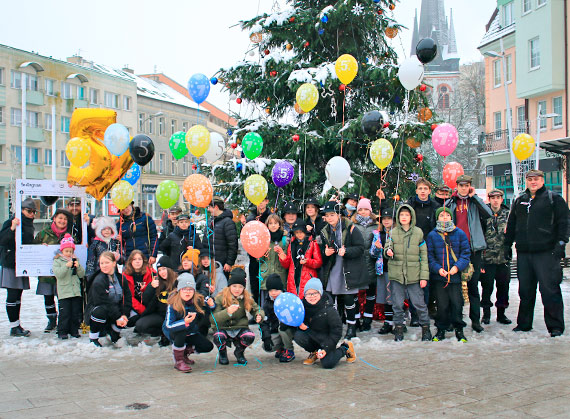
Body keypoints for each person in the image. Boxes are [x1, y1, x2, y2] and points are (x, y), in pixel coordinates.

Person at [505, 169, 568, 337]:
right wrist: (506, 246)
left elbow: (564, 222)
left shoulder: (553, 199)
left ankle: (555, 326)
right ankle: (524, 323)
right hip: (524, 253)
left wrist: (561, 243)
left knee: (549, 290)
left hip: (546, 253)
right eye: (530, 179)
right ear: (526, 181)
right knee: (525, 290)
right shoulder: (520, 201)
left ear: (542, 180)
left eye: (536, 179)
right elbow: (511, 226)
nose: (533, 182)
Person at [445, 174, 492, 333]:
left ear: (470, 186)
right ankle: (455, 320)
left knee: (473, 286)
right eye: (461, 185)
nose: (464, 188)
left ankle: (476, 320)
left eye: (467, 185)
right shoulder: (451, 202)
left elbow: (488, 213)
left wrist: (475, 197)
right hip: (455, 250)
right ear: (457, 186)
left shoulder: (475, 202)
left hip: (474, 249)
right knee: (455, 286)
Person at [319, 201, 369, 340]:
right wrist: (326, 252)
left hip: (348, 268)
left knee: (348, 298)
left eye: (332, 215)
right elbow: (323, 252)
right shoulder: (325, 231)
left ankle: (352, 326)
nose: (330, 218)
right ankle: (335, 327)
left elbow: (360, 248)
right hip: (333, 267)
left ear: (339, 215)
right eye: (327, 215)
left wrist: (346, 251)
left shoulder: (351, 228)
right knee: (331, 298)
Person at [384, 205, 431, 342]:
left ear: (411, 217)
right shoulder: (393, 232)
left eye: (406, 215)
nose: (404, 217)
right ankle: (398, 328)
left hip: (414, 275)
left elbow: (424, 256)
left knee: (419, 304)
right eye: (401, 215)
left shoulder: (418, 233)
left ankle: (426, 328)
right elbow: (387, 248)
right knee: (397, 304)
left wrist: (424, 277)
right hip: (397, 275)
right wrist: (388, 252)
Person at [426, 207, 471, 342]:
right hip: (439, 278)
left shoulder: (460, 234)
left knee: (457, 304)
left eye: (447, 215)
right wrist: (438, 269)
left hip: (455, 277)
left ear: (451, 217)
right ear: (437, 218)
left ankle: (459, 330)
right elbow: (429, 256)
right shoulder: (432, 235)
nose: (444, 217)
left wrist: (457, 267)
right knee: (442, 305)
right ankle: (441, 330)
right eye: (441, 215)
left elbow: (465, 254)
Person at [294, 278, 356, 368]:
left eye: (315, 293)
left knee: (328, 364)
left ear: (320, 293)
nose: (312, 296)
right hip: (313, 336)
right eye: (308, 294)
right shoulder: (302, 307)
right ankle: (315, 351)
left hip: (327, 340)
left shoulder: (329, 309)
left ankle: (345, 348)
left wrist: (327, 348)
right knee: (298, 336)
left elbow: (337, 331)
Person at [163, 274, 215, 373]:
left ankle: (184, 353)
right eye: (184, 289)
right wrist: (184, 322)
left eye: (190, 289)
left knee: (207, 346)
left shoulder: (198, 299)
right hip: (174, 332)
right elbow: (168, 325)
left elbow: (211, 307)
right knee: (181, 331)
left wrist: (212, 304)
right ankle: (179, 361)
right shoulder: (172, 304)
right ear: (179, 290)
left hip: (191, 331)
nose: (188, 292)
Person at [211, 268, 264, 365]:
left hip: (240, 327)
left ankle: (239, 352)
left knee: (249, 336)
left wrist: (259, 315)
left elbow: (257, 309)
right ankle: (222, 353)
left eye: (240, 287)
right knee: (218, 336)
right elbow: (213, 319)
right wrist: (227, 312)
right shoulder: (220, 298)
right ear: (230, 286)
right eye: (234, 286)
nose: (237, 289)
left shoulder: (246, 298)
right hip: (223, 327)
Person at [0, 197, 36, 337]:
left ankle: (16, 325)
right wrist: (12, 228)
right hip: (11, 263)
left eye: (33, 211)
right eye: (29, 211)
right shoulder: (11, 222)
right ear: (21, 210)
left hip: (22, 263)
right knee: (12, 295)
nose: (32, 214)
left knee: (18, 295)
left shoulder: (29, 224)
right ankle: (14, 326)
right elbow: (2, 240)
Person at [34, 208, 73, 333]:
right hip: (47, 272)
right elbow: (33, 247)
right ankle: (51, 320)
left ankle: (63, 322)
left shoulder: (69, 234)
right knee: (48, 297)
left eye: (65, 219)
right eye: (60, 218)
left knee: (62, 298)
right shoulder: (44, 233)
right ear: (54, 218)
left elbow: (76, 248)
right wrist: (40, 247)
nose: (62, 221)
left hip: (63, 273)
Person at [86, 252, 132, 347]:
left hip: (114, 310)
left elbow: (127, 297)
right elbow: (103, 302)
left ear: (114, 263)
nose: (104, 265)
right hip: (100, 309)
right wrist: (118, 317)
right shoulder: (98, 281)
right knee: (100, 311)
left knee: (133, 314)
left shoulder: (121, 278)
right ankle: (94, 337)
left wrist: (124, 314)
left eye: (107, 262)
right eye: (102, 263)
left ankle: (114, 332)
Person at [480, 189, 512, 325]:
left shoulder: (508, 214)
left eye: (498, 197)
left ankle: (501, 314)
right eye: (493, 198)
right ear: (489, 199)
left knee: (503, 287)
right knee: (487, 288)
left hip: (503, 258)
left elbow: (512, 233)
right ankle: (486, 314)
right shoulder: (484, 214)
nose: (495, 200)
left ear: (502, 199)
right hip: (488, 258)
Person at [135, 256, 177, 345]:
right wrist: (151, 287)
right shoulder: (157, 282)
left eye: (164, 269)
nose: (162, 272)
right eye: (160, 270)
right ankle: (160, 331)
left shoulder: (178, 281)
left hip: (175, 316)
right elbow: (146, 301)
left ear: (170, 269)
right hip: (161, 315)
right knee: (140, 325)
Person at [351, 198, 378, 332]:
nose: (363, 212)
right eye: (360, 209)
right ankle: (355, 319)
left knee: (371, 293)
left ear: (370, 211)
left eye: (366, 209)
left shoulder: (376, 226)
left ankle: (367, 319)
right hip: (356, 263)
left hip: (371, 263)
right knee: (355, 293)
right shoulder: (352, 225)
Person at [52, 234, 85, 340]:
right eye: (66, 251)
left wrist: (78, 266)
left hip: (75, 291)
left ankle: (74, 330)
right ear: (62, 251)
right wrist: (66, 266)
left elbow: (81, 275)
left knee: (75, 313)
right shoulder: (57, 261)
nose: (69, 253)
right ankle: (62, 331)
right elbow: (58, 274)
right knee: (64, 313)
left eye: (71, 251)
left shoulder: (76, 260)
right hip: (64, 291)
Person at [278, 220, 322, 299]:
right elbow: (287, 265)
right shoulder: (291, 244)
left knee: (307, 303)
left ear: (305, 232)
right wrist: (283, 258)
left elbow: (318, 262)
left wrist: (307, 261)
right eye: (297, 232)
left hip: (308, 279)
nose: (299, 235)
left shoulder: (312, 243)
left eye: (301, 232)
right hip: (293, 280)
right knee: (294, 303)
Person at [260, 274, 296, 362]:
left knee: (282, 329)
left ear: (280, 289)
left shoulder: (288, 299)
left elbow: (295, 316)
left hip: (289, 328)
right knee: (267, 346)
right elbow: (264, 321)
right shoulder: (267, 303)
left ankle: (289, 350)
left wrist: (287, 323)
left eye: (276, 290)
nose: (273, 293)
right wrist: (266, 337)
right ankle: (280, 347)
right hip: (276, 328)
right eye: (271, 290)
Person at [371, 207, 394, 335]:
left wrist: (385, 248)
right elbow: (372, 254)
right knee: (385, 296)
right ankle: (388, 322)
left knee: (394, 296)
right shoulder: (378, 234)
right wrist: (376, 248)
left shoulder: (397, 233)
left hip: (394, 269)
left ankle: (398, 321)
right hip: (382, 269)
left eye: (389, 218)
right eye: (384, 219)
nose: (386, 221)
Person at [246, 198, 272, 304]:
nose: (260, 203)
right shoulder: (251, 217)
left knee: (267, 282)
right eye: (258, 200)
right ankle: (257, 309)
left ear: (267, 201)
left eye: (263, 200)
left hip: (268, 255)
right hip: (254, 256)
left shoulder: (271, 217)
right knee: (255, 283)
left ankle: (268, 309)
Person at [205, 197, 238, 279]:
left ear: (216, 207)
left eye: (209, 207)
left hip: (222, 264)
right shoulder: (210, 221)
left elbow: (233, 244)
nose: (208, 210)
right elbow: (206, 241)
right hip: (209, 262)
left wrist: (229, 263)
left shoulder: (228, 222)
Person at [122, 250, 155, 326]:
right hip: (133, 305)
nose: (137, 261)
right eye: (134, 259)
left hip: (148, 303)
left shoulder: (151, 272)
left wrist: (145, 288)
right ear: (130, 261)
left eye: (139, 259)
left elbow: (153, 292)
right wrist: (142, 310)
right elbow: (128, 297)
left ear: (143, 261)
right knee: (132, 321)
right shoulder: (125, 276)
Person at [260, 214, 288, 299]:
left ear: (279, 224)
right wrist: (262, 255)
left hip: (280, 276)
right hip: (265, 276)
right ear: (267, 225)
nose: (273, 225)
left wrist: (282, 253)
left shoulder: (284, 240)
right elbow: (259, 260)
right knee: (265, 304)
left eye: (275, 223)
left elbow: (287, 259)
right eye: (270, 223)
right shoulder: (263, 239)